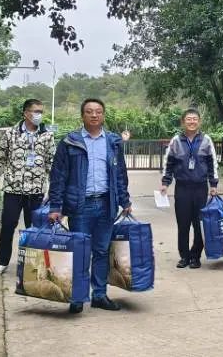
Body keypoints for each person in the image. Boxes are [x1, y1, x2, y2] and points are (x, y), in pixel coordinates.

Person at [48, 98, 131, 314]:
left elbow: (120, 174)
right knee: (80, 252)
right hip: (80, 206)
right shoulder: (70, 142)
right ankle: (77, 296)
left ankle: (99, 295)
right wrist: (56, 206)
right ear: (82, 115)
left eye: (98, 111)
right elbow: (58, 176)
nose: (94, 115)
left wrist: (125, 201)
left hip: (106, 203)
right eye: (89, 111)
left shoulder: (113, 142)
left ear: (103, 115)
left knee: (102, 251)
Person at [0, 98, 56, 275]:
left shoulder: (47, 135)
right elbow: (0, 157)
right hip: (13, 189)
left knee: (35, 228)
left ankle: (34, 264)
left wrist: (53, 187)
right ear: (26, 113)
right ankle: (2, 262)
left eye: (41, 112)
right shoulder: (11, 134)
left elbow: (51, 162)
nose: (39, 115)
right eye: (36, 111)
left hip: (36, 191)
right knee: (8, 226)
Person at [160, 108, 219, 269]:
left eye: (194, 119)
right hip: (182, 188)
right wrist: (165, 183)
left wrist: (213, 184)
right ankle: (184, 257)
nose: (192, 121)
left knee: (199, 224)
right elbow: (168, 163)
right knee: (183, 224)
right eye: (188, 119)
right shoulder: (176, 140)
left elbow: (212, 163)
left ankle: (195, 256)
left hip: (200, 188)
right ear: (183, 121)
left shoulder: (206, 140)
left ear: (199, 122)